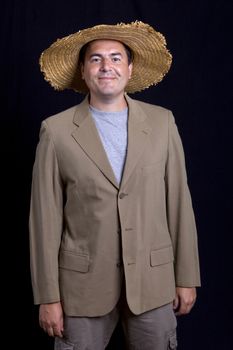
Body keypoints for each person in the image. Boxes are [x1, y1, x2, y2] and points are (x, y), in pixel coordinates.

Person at [29, 21, 201, 350]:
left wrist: (187, 277)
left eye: (116, 58)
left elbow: (179, 204)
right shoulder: (56, 131)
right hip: (81, 288)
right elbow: (44, 221)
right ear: (83, 70)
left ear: (130, 67)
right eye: (96, 59)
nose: (106, 66)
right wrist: (47, 297)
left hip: (153, 283)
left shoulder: (162, 123)